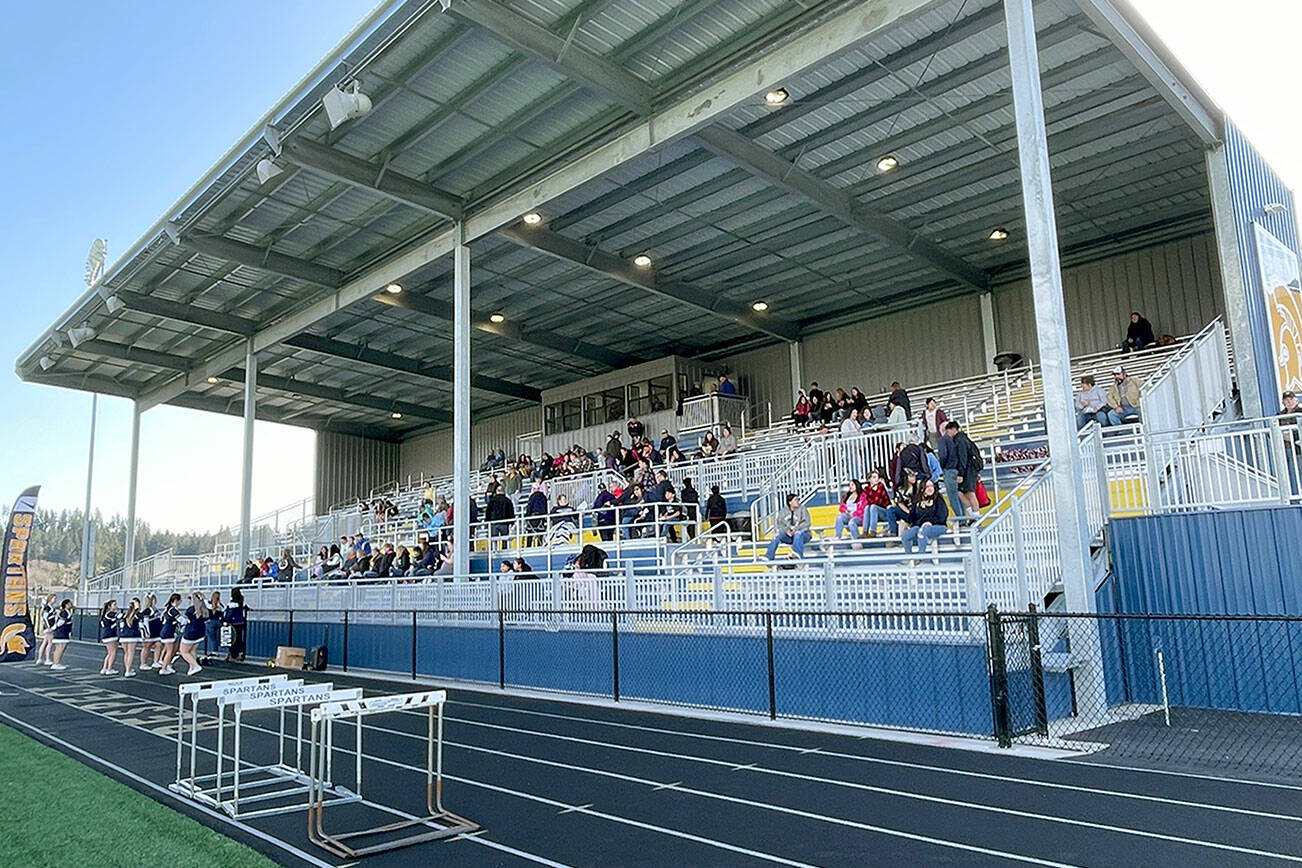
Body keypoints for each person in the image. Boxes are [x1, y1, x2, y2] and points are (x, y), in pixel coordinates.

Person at [900, 479, 949, 557]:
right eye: (927, 487)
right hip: (920, 526)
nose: (930, 488)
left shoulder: (938, 499)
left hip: (938, 526)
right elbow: (912, 517)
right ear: (922, 489)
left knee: (922, 531)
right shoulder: (917, 500)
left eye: (932, 486)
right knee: (905, 535)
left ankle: (921, 557)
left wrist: (930, 522)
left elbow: (942, 516)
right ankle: (909, 557)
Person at [949, 420, 983, 518]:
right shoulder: (963, 439)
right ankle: (973, 515)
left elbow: (962, 458)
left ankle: (976, 517)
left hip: (968, 470)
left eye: (948, 431)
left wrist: (961, 474)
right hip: (969, 469)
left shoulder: (960, 441)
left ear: (953, 430)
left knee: (970, 493)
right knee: (962, 493)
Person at [766, 493, 812, 560]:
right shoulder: (783, 511)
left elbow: (806, 523)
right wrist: (787, 531)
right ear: (790, 502)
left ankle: (797, 554)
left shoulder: (803, 509)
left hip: (803, 534)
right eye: (796, 500)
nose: (798, 501)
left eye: (798, 499)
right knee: (777, 536)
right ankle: (769, 556)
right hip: (789, 536)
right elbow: (779, 524)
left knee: (798, 534)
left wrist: (795, 530)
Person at [177, 592, 210, 676]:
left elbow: (186, 617)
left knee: (183, 651)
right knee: (192, 650)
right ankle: (191, 667)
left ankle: (195, 665)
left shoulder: (190, 610)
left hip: (191, 632)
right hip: (201, 632)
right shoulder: (205, 609)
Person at [937, 425, 962, 520]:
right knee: (958, 496)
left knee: (953, 497)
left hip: (949, 469)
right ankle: (963, 517)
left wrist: (942, 465)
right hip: (957, 470)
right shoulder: (955, 440)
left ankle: (960, 519)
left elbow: (943, 455)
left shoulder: (943, 440)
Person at [157, 593, 183, 675]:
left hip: (166, 631)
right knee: (170, 651)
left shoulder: (167, 609)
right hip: (168, 632)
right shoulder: (172, 610)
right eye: (180, 600)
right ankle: (163, 668)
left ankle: (167, 664)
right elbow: (182, 620)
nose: (181, 602)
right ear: (176, 600)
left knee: (169, 650)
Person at [862, 469, 891, 537]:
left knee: (873, 506)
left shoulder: (880, 486)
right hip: (874, 514)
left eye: (877, 477)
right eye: (874, 477)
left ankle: (873, 531)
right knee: (867, 508)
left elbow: (878, 501)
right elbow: (867, 502)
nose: (877, 479)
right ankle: (865, 531)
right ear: (869, 479)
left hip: (885, 512)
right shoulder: (867, 489)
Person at [486, 483, 516, 551]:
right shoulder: (507, 500)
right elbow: (511, 512)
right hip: (504, 523)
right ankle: (504, 550)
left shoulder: (492, 500)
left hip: (493, 522)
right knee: (505, 539)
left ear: (497, 491)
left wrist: (487, 521)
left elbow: (488, 512)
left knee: (493, 540)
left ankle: (493, 551)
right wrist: (511, 522)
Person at [118, 598, 143, 677]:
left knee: (126, 653)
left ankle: (127, 669)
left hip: (123, 636)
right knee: (131, 653)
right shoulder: (137, 614)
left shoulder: (124, 614)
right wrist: (137, 607)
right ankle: (128, 670)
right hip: (132, 636)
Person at [47, 599, 74, 670]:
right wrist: (53, 628)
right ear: (66, 605)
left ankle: (56, 662)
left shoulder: (66, 612)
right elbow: (60, 622)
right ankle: (56, 663)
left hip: (62, 632)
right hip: (61, 633)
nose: (71, 604)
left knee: (60, 648)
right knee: (60, 648)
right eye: (70, 603)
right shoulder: (64, 613)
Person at [224, 588, 248, 663]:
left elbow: (229, 614)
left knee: (232, 640)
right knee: (239, 639)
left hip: (233, 623)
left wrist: (225, 620)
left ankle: (232, 654)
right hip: (240, 623)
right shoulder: (240, 602)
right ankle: (240, 654)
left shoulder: (232, 604)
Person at [98, 599, 120, 676]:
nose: (116, 606)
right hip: (110, 634)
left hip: (105, 634)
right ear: (109, 606)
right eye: (114, 604)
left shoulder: (105, 614)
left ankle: (104, 668)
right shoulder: (110, 613)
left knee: (109, 653)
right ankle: (109, 669)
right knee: (113, 652)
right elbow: (120, 616)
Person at [34, 593, 57, 666]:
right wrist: (49, 627)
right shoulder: (47, 607)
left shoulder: (51, 607)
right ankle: (47, 659)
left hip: (50, 626)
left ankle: (40, 658)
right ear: (50, 599)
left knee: (45, 642)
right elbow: (45, 617)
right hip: (49, 627)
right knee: (49, 642)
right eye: (54, 598)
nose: (55, 600)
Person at [204, 591, 225, 662]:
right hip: (218, 622)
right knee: (216, 637)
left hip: (210, 622)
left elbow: (205, 601)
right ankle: (215, 650)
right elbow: (224, 610)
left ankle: (213, 651)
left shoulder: (209, 604)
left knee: (212, 638)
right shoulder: (220, 605)